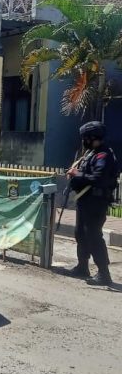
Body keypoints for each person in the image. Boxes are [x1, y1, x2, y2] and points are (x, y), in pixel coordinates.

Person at [66, 121, 118, 286]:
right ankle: (82, 267)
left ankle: (104, 273)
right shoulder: (91, 154)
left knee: (93, 235)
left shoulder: (104, 155)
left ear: (92, 137)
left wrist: (77, 174)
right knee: (80, 233)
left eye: (85, 138)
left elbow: (98, 178)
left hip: (96, 202)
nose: (83, 141)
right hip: (85, 200)